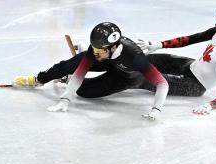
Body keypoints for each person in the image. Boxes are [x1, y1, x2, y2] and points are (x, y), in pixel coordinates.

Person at [11, 22, 168, 120]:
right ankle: (39, 79)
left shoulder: (135, 56)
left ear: (112, 46)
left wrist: (156, 109)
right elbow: (80, 72)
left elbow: (162, 84)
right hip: (110, 62)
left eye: (99, 49)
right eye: (94, 48)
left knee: (85, 92)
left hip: (128, 77)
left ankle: (66, 80)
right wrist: (65, 99)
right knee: (75, 62)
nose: (95, 52)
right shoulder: (99, 51)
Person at [136, 5, 216, 115]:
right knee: (148, 59)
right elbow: (189, 39)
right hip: (191, 66)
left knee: (141, 78)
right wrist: (160, 44)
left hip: (194, 86)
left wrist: (210, 105)